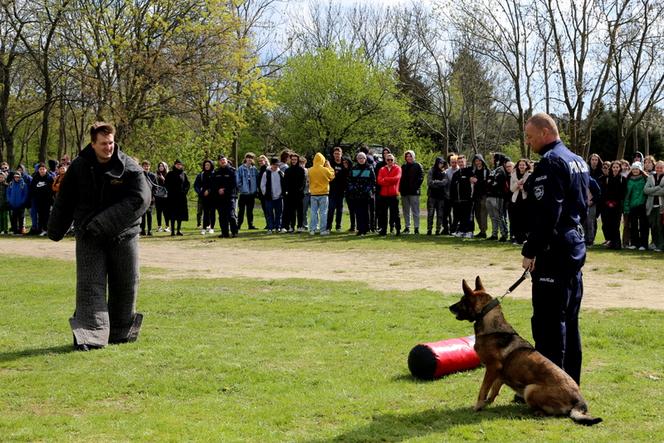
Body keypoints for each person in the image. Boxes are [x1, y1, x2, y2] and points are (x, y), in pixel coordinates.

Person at [48, 122, 151, 351]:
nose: (109, 148)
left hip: (124, 233)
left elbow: (141, 199)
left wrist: (104, 222)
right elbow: (65, 199)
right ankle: (90, 336)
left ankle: (120, 332)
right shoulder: (79, 167)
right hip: (89, 234)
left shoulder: (129, 167)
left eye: (111, 143)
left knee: (126, 284)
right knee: (89, 286)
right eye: (104, 143)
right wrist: (56, 229)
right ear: (93, 144)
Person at [520, 113, 589, 386]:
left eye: (530, 136)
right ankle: (570, 383)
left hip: (555, 249)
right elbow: (588, 196)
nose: (528, 142)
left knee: (548, 323)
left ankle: (552, 388)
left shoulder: (551, 163)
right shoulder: (578, 160)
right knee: (569, 320)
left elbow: (548, 214)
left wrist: (531, 250)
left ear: (546, 132)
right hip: (573, 244)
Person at [346, 151, 375, 236]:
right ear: (357, 159)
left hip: (366, 194)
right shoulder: (354, 168)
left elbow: (373, 181)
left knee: (366, 212)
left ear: (365, 159)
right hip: (356, 194)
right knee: (358, 212)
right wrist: (354, 189)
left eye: (363, 158)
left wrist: (367, 190)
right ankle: (360, 229)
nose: (361, 159)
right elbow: (349, 181)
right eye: (359, 158)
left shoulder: (370, 168)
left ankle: (366, 229)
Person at [600, 161, 626, 250]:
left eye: (617, 167)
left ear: (620, 168)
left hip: (617, 206)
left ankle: (617, 244)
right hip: (607, 205)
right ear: (611, 168)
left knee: (615, 225)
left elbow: (623, 193)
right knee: (607, 224)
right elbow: (604, 192)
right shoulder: (607, 178)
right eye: (614, 167)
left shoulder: (623, 179)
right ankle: (610, 242)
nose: (615, 169)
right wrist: (608, 202)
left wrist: (615, 202)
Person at [623, 162, 649, 250]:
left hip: (643, 205)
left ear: (640, 170)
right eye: (633, 169)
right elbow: (626, 195)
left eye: (637, 169)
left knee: (643, 226)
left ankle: (643, 245)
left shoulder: (645, 178)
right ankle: (634, 243)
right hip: (632, 205)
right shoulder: (628, 180)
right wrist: (626, 207)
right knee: (633, 225)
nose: (635, 170)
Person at [308, 152, 335, 235]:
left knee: (313, 212)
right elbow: (332, 176)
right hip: (323, 193)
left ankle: (313, 229)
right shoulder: (325, 169)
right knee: (323, 212)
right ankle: (323, 230)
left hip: (313, 193)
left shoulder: (310, 170)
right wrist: (329, 166)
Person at [212, 155, 238, 238]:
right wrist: (218, 190)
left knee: (231, 215)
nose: (222, 161)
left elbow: (234, 184)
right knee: (222, 216)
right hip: (219, 197)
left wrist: (225, 190)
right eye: (220, 160)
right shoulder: (216, 172)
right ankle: (224, 233)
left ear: (226, 161)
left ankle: (234, 232)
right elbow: (213, 184)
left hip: (230, 196)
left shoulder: (232, 171)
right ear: (219, 162)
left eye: (223, 160)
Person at [486, 153, 510, 241]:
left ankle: (504, 234)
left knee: (499, 216)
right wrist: (489, 182)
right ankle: (494, 234)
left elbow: (496, 183)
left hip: (498, 196)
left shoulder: (501, 170)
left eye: (493, 158)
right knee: (492, 216)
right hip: (489, 195)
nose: (492, 160)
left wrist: (490, 182)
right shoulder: (494, 169)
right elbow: (488, 181)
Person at [399, 150, 424, 234]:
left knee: (415, 210)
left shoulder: (418, 165)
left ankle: (416, 228)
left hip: (414, 192)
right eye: (407, 156)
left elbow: (421, 178)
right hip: (404, 192)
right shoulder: (403, 166)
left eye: (410, 156)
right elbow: (401, 179)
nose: (408, 158)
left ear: (413, 156)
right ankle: (407, 227)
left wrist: (415, 187)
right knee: (406, 210)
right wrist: (400, 189)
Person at [377, 153, 402, 236]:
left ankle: (398, 229)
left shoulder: (398, 168)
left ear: (394, 160)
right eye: (388, 159)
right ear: (385, 160)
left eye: (391, 159)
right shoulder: (382, 169)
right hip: (383, 195)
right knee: (383, 214)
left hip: (393, 194)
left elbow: (396, 179)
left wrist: (386, 179)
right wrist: (388, 181)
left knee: (395, 213)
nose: (390, 161)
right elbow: (379, 181)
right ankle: (383, 230)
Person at [164, 159, 190, 236]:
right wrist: (170, 192)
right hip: (172, 197)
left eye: (180, 164)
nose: (179, 166)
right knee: (172, 214)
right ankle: (172, 231)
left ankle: (178, 230)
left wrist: (185, 192)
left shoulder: (183, 174)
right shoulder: (170, 174)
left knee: (180, 214)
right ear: (175, 165)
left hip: (181, 197)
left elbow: (187, 184)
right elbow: (166, 184)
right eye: (177, 164)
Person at [509, 159, 532, 245]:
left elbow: (530, 189)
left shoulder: (530, 175)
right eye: (520, 165)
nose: (521, 166)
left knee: (525, 220)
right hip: (515, 200)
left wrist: (523, 188)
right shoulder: (513, 175)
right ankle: (518, 239)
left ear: (526, 166)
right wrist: (517, 184)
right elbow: (511, 189)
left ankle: (525, 239)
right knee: (516, 220)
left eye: (523, 165)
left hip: (525, 200)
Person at [451, 155, 474, 238]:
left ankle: (469, 232)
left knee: (468, 217)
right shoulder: (456, 174)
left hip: (468, 199)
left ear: (465, 162)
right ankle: (461, 231)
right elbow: (452, 188)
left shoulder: (470, 171)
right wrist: (453, 199)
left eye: (462, 162)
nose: (461, 163)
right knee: (461, 217)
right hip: (458, 200)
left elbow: (472, 183)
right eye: (459, 162)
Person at [260, 157, 285, 233]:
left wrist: (282, 193)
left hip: (279, 197)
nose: (276, 166)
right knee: (269, 214)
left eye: (277, 165)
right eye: (274, 165)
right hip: (269, 197)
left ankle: (278, 227)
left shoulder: (281, 173)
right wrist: (265, 193)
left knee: (279, 213)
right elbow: (262, 185)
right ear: (271, 164)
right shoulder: (266, 173)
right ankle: (270, 228)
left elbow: (284, 185)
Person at [327, 146, 348, 232]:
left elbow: (347, 175)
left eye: (338, 154)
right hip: (332, 190)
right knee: (331, 209)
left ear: (341, 154)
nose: (337, 155)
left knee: (339, 210)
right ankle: (328, 227)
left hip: (341, 190)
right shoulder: (330, 163)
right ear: (333, 154)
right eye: (335, 154)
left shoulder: (345, 163)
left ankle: (338, 226)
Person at [644, 160, 664, 252]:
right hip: (651, 206)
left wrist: (652, 191)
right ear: (655, 168)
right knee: (653, 226)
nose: (659, 169)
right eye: (658, 167)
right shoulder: (650, 177)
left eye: (661, 167)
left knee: (660, 226)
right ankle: (655, 244)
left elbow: (663, 192)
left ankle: (661, 245)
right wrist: (658, 188)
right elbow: (646, 190)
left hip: (661, 206)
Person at [283, 152, 306, 232]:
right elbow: (285, 183)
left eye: (295, 159)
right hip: (290, 195)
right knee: (291, 212)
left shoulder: (301, 170)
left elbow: (303, 183)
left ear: (298, 160)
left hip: (299, 194)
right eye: (292, 159)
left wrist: (300, 191)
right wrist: (286, 192)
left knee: (300, 212)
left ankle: (300, 226)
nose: (294, 161)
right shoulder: (287, 170)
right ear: (290, 160)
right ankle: (291, 227)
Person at [30, 162, 54, 236]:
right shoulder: (35, 177)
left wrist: (50, 199)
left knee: (46, 215)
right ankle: (40, 229)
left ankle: (46, 230)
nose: (42, 170)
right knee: (40, 215)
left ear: (46, 170)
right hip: (38, 200)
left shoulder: (49, 178)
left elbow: (51, 190)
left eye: (43, 169)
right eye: (40, 169)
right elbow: (32, 188)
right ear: (38, 170)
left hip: (47, 200)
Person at [236, 152, 258, 231]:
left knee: (250, 210)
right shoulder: (241, 168)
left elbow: (257, 179)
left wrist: (255, 190)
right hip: (243, 193)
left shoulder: (254, 169)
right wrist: (241, 188)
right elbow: (237, 180)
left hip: (251, 193)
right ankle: (238, 225)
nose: (249, 159)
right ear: (245, 158)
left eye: (251, 158)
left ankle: (250, 225)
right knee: (241, 211)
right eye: (248, 158)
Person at [426, 157, 448, 235]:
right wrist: (439, 183)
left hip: (441, 197)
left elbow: (445, 182)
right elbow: (429, 182)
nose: (441, 165)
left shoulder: (444, 172)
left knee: (440, 215)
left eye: (442, 163)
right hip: (432, 196)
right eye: (440, 163)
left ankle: (438, 230)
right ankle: (429, 229)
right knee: (430, 214)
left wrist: (436, 182)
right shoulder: (431, 170)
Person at [470, 154, 490, 238]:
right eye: (476, 161)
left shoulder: (486, 171)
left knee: (483, 213)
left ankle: (483, 231)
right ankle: (481, 230)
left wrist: (477, 181)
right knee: (477, 213)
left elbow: (487, 183)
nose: (477, 162)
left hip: (484, 195)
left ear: (482, 161)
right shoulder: (473, 171)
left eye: (479, 161)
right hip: (475, 195)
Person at [194, 159, 216, 235]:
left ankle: (212, 228)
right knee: (205, 212)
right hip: (203, 196)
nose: (207, 166)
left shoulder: (214, 174)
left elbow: (215, 185)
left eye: (208, 165)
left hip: (213, 196)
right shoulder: (201, 175)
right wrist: (200, 192)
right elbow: (196, 185)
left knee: (212, 212)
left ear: (211, 166)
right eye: (205, 165)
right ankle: (204, 228)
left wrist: (209, 191)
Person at [7, 171, 29, 235]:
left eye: (18, 177)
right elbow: (8, 193)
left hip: (21, 205)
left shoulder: (23, 184)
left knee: (21, 218)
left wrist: (22, 202)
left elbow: (25, 194)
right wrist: (9, 200)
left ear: (20, 177)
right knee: (14, 218)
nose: (16, 178)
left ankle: (20, 231)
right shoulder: (11, 184)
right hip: (13, 204)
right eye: (15, 177)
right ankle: (15, 231)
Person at [140, 160, 157, 236]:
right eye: (145, 166)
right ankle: (142, 230)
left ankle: (149, 230)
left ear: (150, 167)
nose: (146, 167)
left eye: (147, 166)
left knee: (149, 214)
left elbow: (155, 187)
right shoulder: (140, 175)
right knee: (142, 215)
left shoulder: (153, 176)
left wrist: (153, 195)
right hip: (142, 198)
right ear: (142, 167)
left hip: (150, 198)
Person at [154, 161, 170, 232]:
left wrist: (164, 179)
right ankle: (159, 226)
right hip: (158, 195)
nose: (161, 167)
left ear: (165, 167)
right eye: (160, 166)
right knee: (158, 212)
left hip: (166, 196)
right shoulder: (156, 175)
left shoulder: (168, 175)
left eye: (162, 166)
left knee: (166, 212)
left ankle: (167, 226)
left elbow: (170, 185)